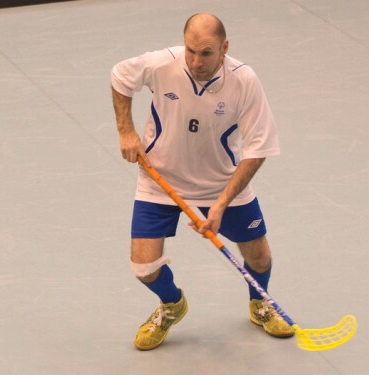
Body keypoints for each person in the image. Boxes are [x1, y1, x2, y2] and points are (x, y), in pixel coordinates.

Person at [110, 13, 293, 351]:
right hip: (160, 177)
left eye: (206, 53)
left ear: (224, 48)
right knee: (143, 267)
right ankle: (172, 304)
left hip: (220, 181)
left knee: (260, 258)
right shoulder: (161, 64)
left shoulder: (244, 81)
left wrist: (221, 202)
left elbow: (258, 148)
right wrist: (126, 131)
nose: (196, 62)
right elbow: (120, 76)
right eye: (191, 51)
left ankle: (260, 303)